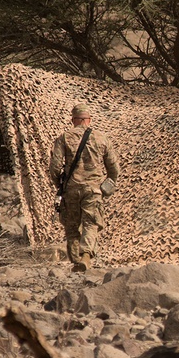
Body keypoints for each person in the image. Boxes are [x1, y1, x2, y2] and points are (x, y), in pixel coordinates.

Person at [49, 103, 120, 272]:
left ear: (73, 120)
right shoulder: (101, 138)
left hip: (71, 189)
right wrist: (108, 185)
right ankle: (86, 256)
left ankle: (75, 262)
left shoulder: (64, 138)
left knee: (71, 226)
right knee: (91, 223)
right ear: (89, 120)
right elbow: (114, 169)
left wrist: (59, 184)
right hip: (93, 190)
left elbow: (55, 167)